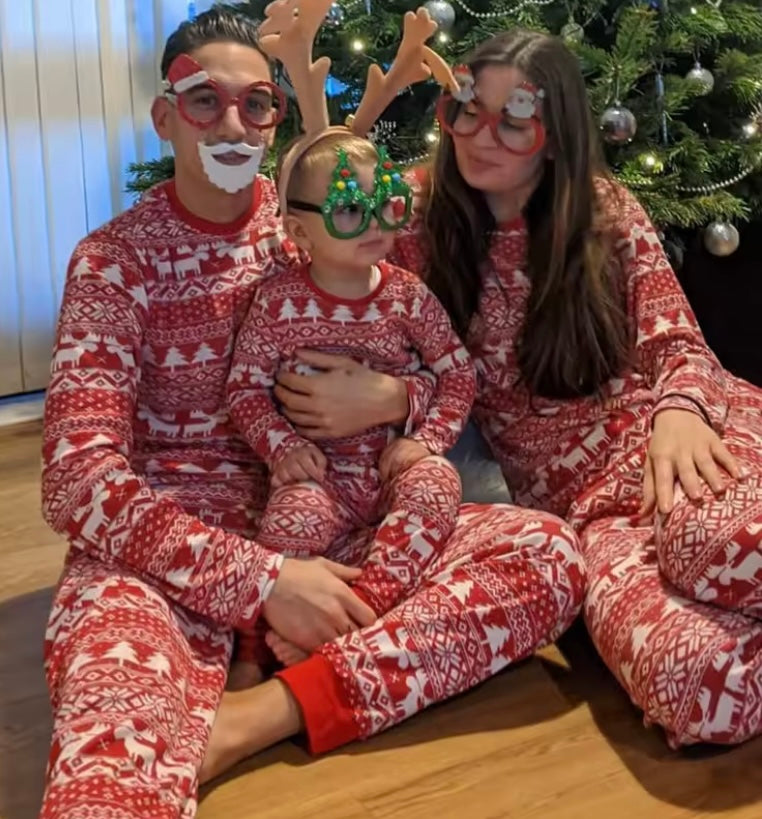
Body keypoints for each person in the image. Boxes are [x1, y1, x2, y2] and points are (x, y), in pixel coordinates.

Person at [39, 8, 584, 815]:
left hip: (343, 520)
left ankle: (266, 711)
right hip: (166, 561)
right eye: (205, 100)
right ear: (164, 117)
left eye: (256, 103)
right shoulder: (113, 262)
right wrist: (261, 581)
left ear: (275, 118)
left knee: (547, 554)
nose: (234, 124)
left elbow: (443, 347)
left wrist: (399, 399)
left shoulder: (331, 210)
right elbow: (76, 480)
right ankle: (264, 671)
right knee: (106, 781)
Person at [390, 28, 762, 748]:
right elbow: (315, 222)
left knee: (710, 543)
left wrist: (681, 413)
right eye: (466, 109)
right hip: (591, 516)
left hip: (690, 443)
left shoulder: (604, 211)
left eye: (514, 120)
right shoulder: (413, 219)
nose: (481, 135)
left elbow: (680, 345)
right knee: (697, 687)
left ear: (556, 139)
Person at [227, 130, 474, 680]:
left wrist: (425, 440)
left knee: (439, 481)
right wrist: (282, 447)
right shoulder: (278, 303)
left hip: (391, 470)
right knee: (291, 517)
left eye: (385, 203)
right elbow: (243, 389)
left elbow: (458, 373)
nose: (374, 223)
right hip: (320, 478)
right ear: (299, 231)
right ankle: (253, 650)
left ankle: (366, 610)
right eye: (348, 210)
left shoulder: (408, 296)